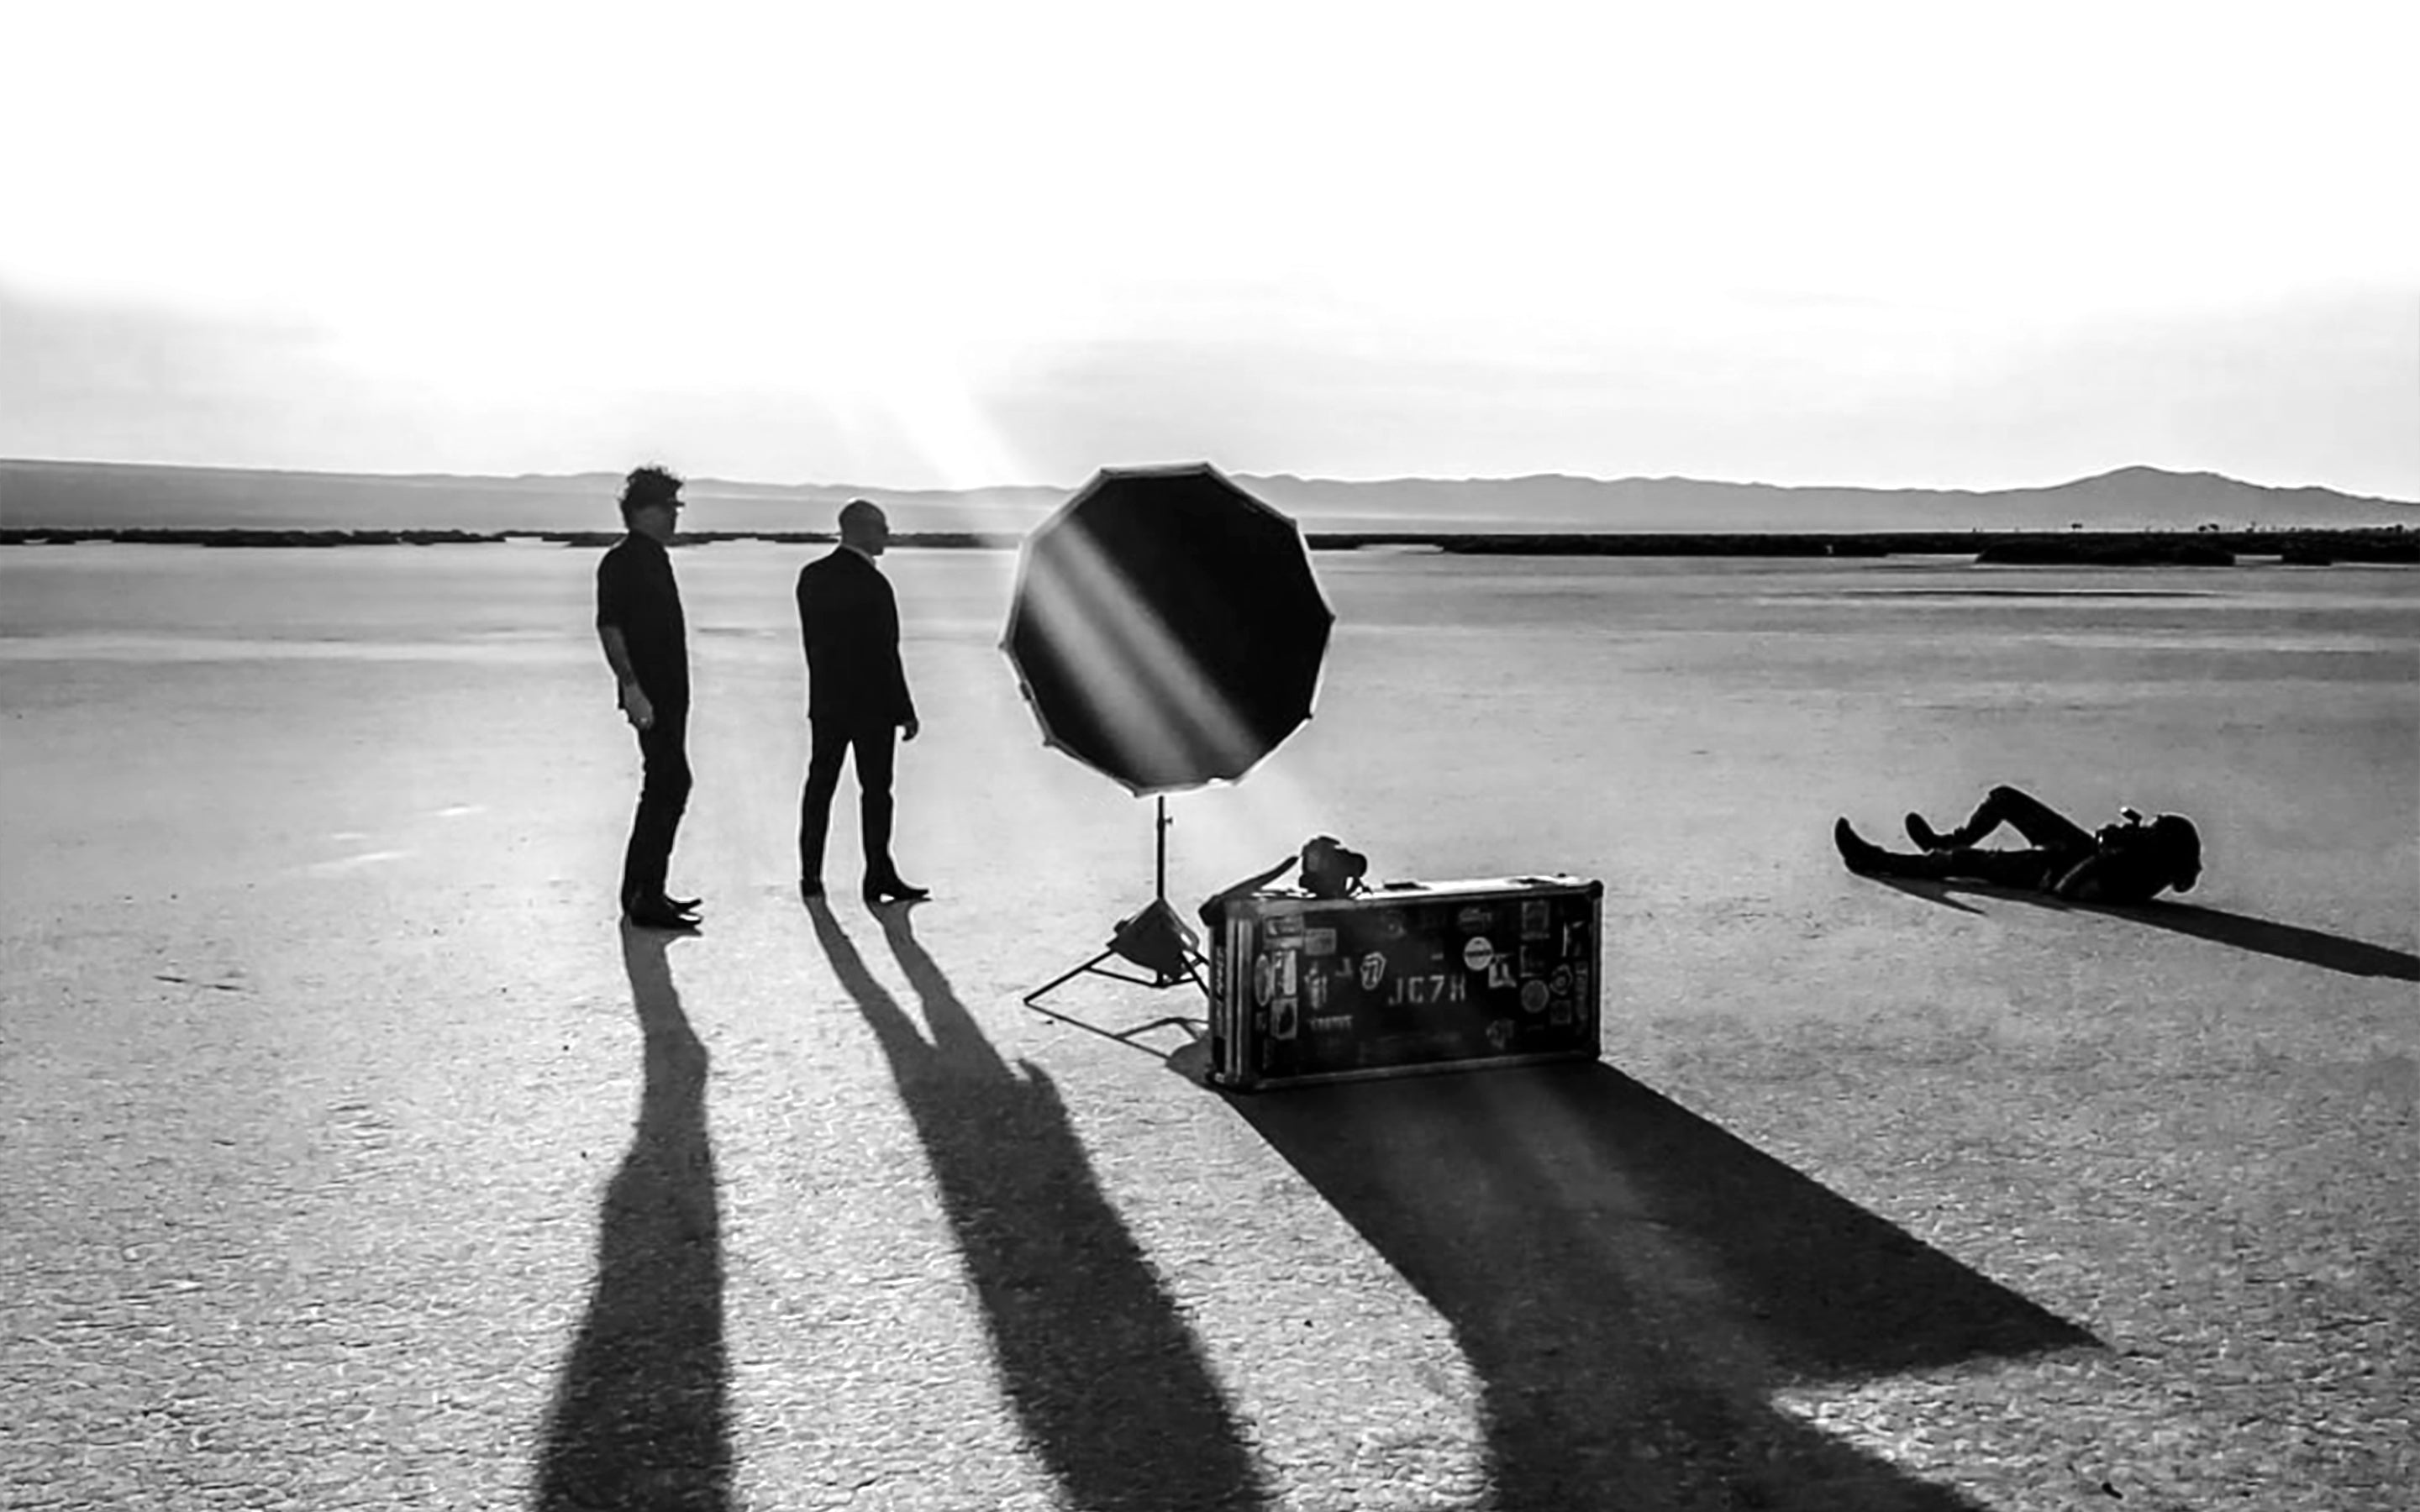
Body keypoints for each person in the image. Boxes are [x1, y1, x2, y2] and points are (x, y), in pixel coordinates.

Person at [796, 499, 927, 906]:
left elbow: (817, 644)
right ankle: (877, 874)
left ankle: (811, 875)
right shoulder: (873, 584)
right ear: (860, 529)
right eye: (882, 528)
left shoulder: (813, 576)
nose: (886, 536)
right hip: (870, 705)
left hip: (828, 702)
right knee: (876, 791)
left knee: (821, 786)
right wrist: (903, 708)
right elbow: (885, 651)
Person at [595, 465, 701, 931]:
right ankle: (643, 894)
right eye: (668, 508)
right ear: (643, 510)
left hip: (670, 694)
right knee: (669, 782)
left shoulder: (655, 557)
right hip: (650, 695)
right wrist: (632, 688)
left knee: (666, 783)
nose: (675, 516)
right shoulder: (623, 561)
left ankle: (643, 890)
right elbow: (610, 627)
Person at [1833, 784, 2202, 904]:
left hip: (2051, 867)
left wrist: (2105, 854)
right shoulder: (2146, 865)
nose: (2144, 829)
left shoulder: (2134, 872)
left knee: (1963, 862)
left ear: (2162, 846)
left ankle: (1877, 860)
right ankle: (1942, 841)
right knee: (2004, 798)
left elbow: (2065, 890)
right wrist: (2107, 843)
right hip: (2075, 850)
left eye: (2152, 829)